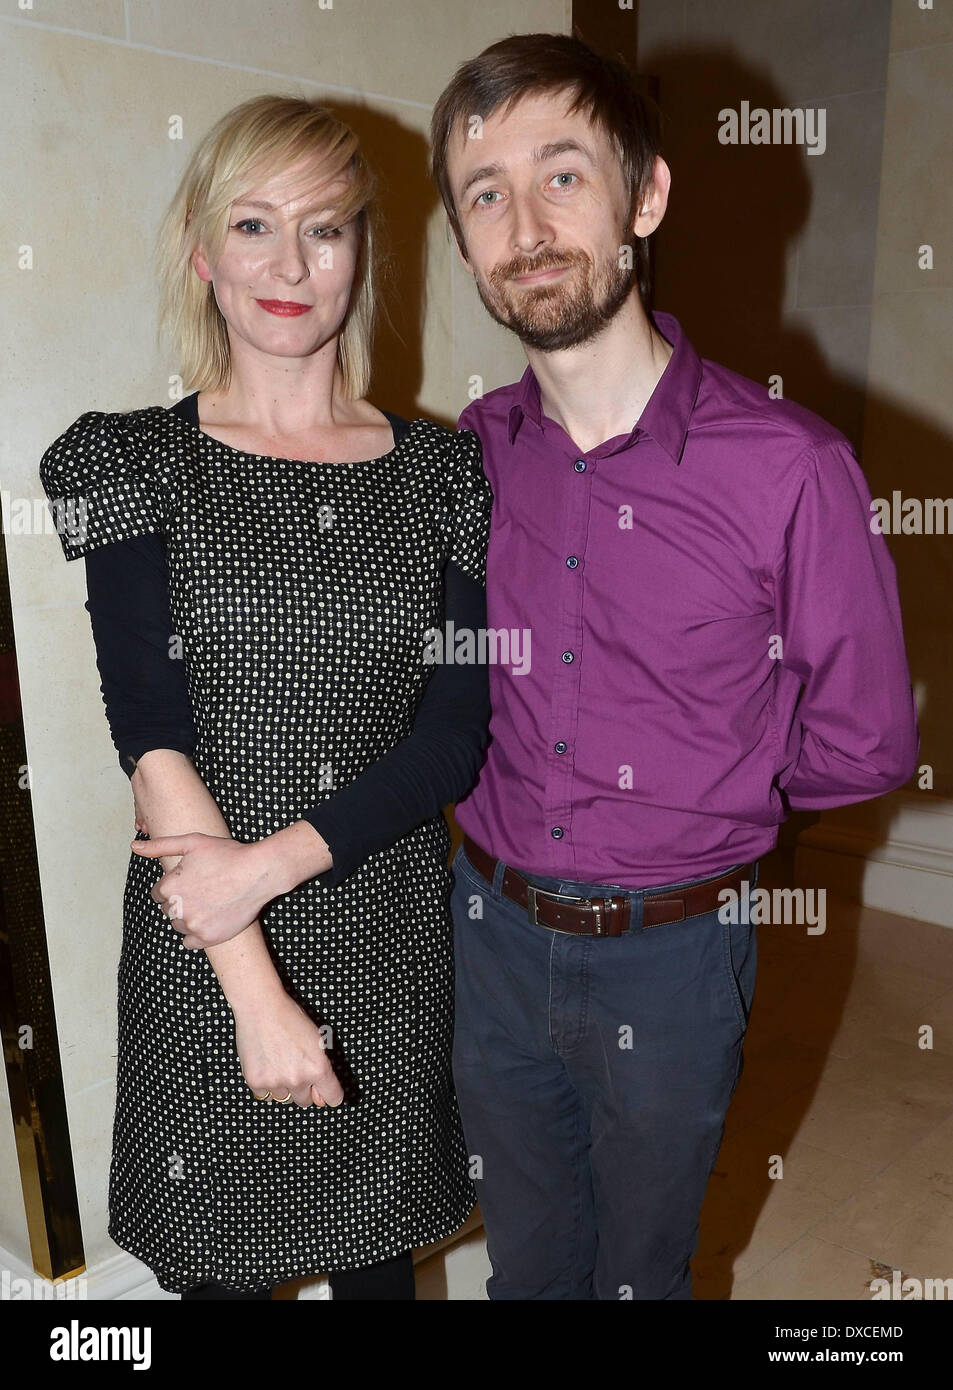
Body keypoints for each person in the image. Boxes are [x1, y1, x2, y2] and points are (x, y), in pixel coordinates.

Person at [424, 32, 920, 1300]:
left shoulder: (790, 470)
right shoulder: (463, 459)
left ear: (644, 196)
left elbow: (863, 742)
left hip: (677, 954)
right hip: (486, 930)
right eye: (484, 193)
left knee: (644, 1272)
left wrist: (700, 799)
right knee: (526, 1268)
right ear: (461, 238)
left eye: (562, 176)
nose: (523, 224)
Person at [39, 93, 492, 1300]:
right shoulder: (128, 461)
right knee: (219, 1272)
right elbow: (149, 734)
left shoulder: (448, 473)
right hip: (205, 939)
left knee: (377, 1265)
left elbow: (453, 740)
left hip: (384, 930)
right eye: (254, 225)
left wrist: (272, 862)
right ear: (202, 248)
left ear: (360, 254)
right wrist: (255, 986)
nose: (290, 264)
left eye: (325, 229)